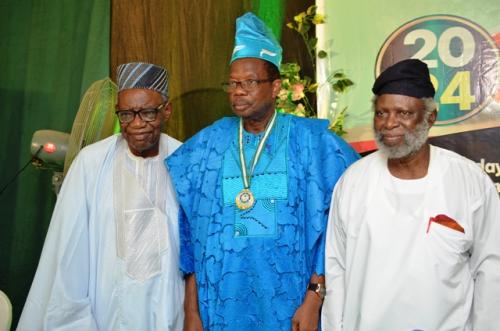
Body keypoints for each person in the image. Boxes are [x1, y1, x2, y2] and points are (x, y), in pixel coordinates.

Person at [165, 13, 359, 331]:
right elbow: (190, 234)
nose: (238, 91)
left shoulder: (312, 142)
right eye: (233, 83)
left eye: (250, 82)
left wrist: (315, 297)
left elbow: (338, 224)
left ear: (276, 87)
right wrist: (191, 312)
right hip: (221, 306)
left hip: (291, 305)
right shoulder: (206, 147)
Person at [322, 58, 500, 331]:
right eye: (381, 113)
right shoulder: (353, 182)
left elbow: (491, 271)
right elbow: (337, 271)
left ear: (430, 117)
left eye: (403, 113)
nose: (389, 123)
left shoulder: (469, 182)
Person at [18, 62, 184, 330]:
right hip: (105, 313)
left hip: (170, 310)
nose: (137, 123)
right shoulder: (91, 163)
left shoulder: (186, 160)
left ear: (166, 110)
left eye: (148, 112)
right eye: (127, 114)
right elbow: (69, 255)